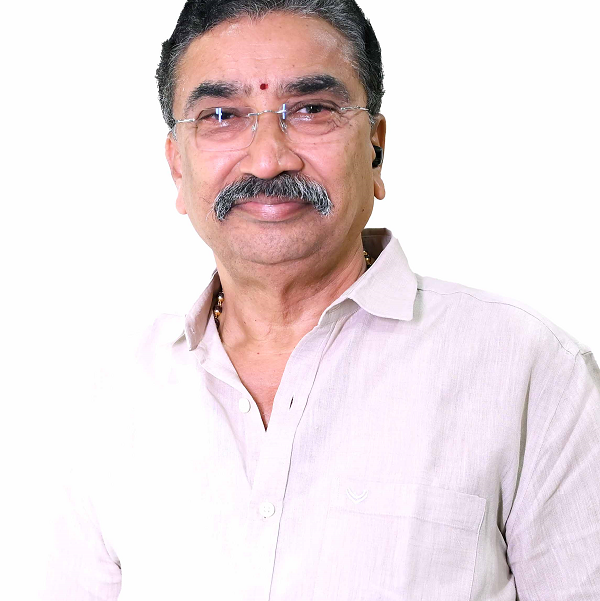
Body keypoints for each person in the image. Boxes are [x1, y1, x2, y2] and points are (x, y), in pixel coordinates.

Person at [42, 1, 600, 599]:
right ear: (178, 167)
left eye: (311, 109)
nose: (267, 159)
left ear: (376, 149)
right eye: (221, 115)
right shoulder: (112, 393)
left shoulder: (531, 372)